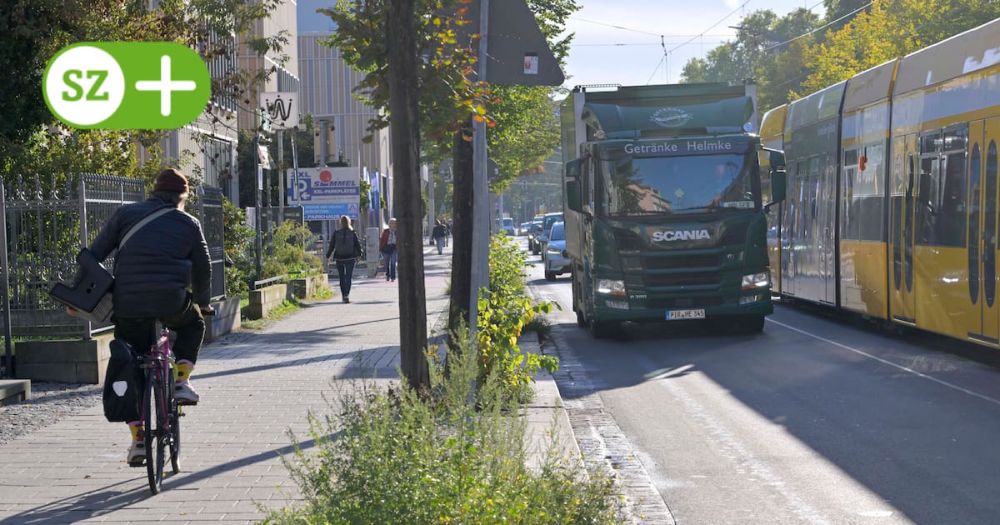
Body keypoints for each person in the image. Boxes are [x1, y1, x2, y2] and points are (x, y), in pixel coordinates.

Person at [87, 168, 212, 467]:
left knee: (131, 363)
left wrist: (86, 295)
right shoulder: (189, 223)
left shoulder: (125, 215)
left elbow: (93, 255)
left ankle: (139, 440)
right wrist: (203, 303)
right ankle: (181, 381)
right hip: (172, 302)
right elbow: (204, 266)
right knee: (194, 323)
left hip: (128, 306)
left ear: (154, 191)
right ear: (183, 197)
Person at [326, 215, 363, 303]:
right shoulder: (352, 232)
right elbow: (357, 245)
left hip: (339, 258)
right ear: (349, 222)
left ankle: (343, 295)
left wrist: (328, 255)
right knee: (348, 277)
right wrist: (360, 254)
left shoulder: (336, 233)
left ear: (341, 223)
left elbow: (332, 245)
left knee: (342, 277)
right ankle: (347, 294)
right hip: (350, 258)